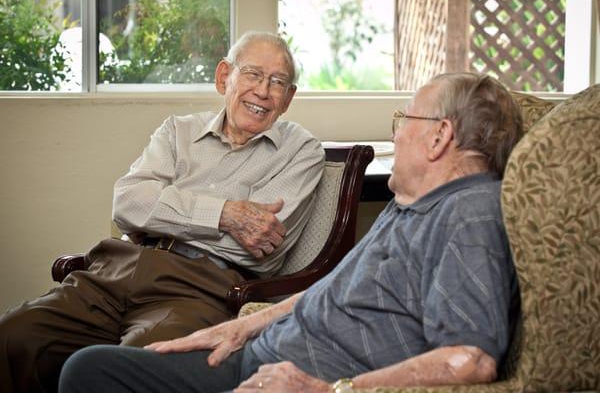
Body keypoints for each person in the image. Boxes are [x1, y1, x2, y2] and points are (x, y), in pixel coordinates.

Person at [58, 72, 524, 393]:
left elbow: (470, 358)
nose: (397, 134)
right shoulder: (411, 207)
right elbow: (332, 289)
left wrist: (329, 389)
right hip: (258, 357)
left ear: (440, 136)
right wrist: (240, 328)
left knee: (92, 375)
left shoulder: (469, 214)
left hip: (295, 380)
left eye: (404, 120)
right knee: (89, 368)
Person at [0, 31, 325, 393]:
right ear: (224, 77)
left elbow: (263, 248)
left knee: (133, 369)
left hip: (196, 288)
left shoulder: (301, 152)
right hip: (114, 270)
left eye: (277, 82)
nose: (262, 92)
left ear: (289, 97)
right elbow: (127, 204)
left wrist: (164, 208)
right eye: (252, 74)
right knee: (13, 336)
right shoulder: (177, 132)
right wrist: (226, 214)